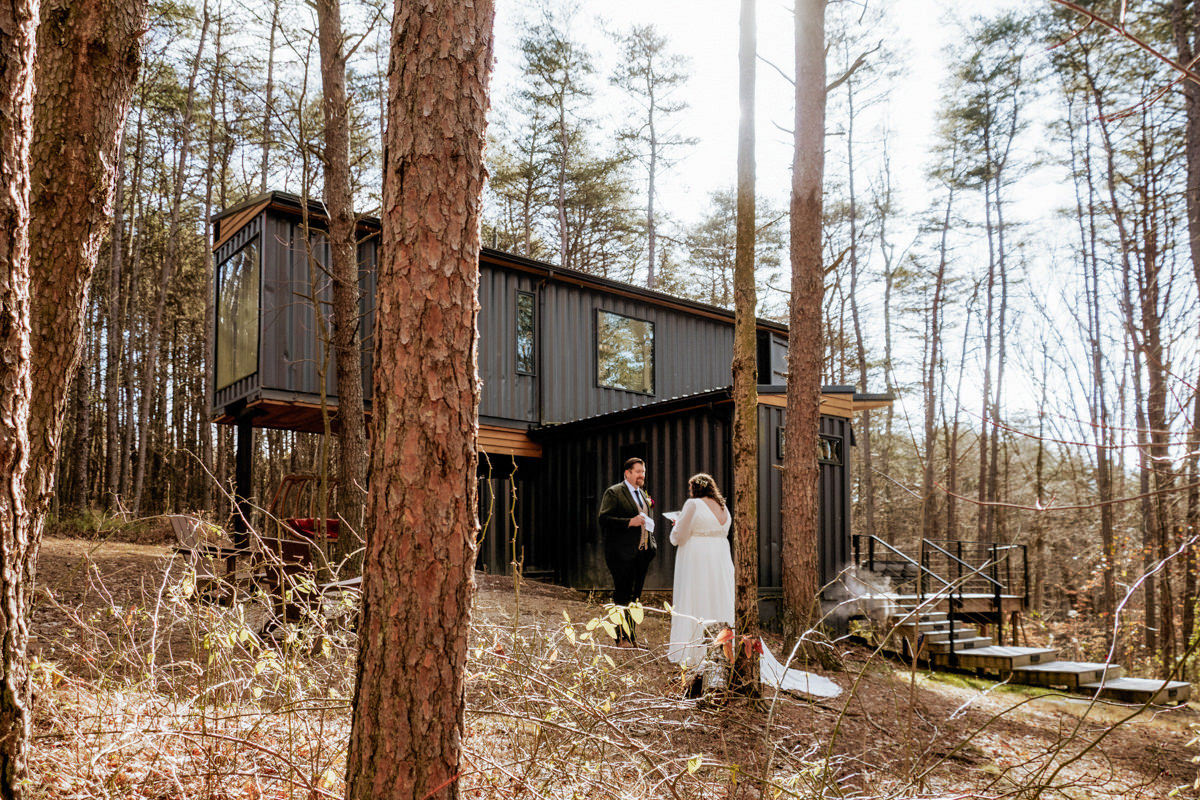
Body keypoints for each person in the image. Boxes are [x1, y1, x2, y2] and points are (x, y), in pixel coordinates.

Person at [667, 473, 734, 667]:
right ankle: (726, 644)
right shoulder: (723, 507)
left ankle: (695, 648)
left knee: (696, 595)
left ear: (695, 489)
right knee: (719, 596)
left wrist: (676, 525)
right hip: (720, 556)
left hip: (698, 557)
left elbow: (679, 535)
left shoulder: (693, 504)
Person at [597, 457, 657, 647]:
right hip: (621, 554)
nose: (642, 475)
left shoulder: (643, 494)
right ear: (628, 473)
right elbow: (603, 519)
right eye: (638, 471)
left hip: (642, 553)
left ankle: (631, 638)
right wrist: (628, 522)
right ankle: (620, 638)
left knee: (635, 598)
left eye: (643, 472)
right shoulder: (614, 492)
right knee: (622, 595)